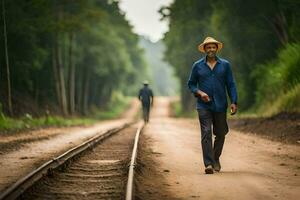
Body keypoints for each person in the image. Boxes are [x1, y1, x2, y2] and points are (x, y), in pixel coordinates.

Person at [187, 37, 238, 174]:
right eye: (208, 47)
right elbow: (191, 84)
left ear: (217, 48)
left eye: (213, 47)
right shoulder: (197, 66)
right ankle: (208, 164)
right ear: (204, 49)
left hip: (221, 105)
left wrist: (234, 101)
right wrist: (199, 92)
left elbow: (231, 84)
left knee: (221, 133)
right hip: (203, 106)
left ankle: (216, 158)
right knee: (206, 132)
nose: (211, 49)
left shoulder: (225, 65)